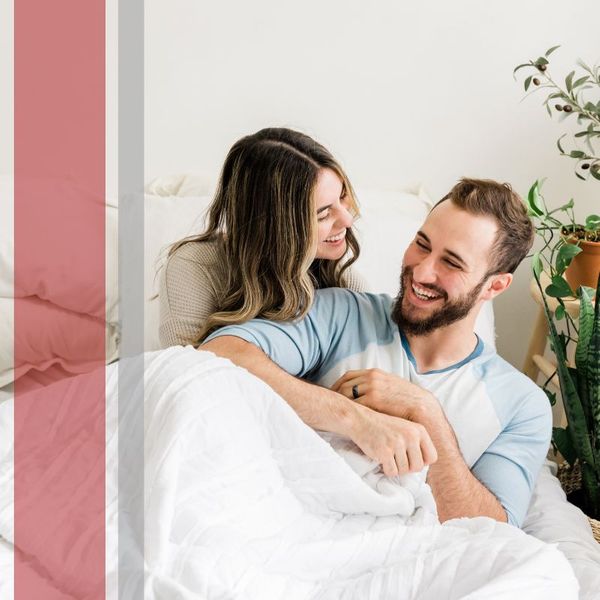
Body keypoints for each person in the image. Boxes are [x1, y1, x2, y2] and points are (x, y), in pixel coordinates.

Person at [201, 178, 551, 528]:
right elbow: (219, 354)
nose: (423, 270)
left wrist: (424, 411)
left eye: (452, 263)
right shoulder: (342, 314)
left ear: (495, 286)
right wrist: (355, 419)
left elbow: (495, 532)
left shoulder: (521, 404)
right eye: (422, 244)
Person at [158, 127, 364, 347]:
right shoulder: (195, 267)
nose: (347, 221)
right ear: (275, 227)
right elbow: (187, 373)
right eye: (323, 214)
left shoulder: (337, 274)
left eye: (342, 197)